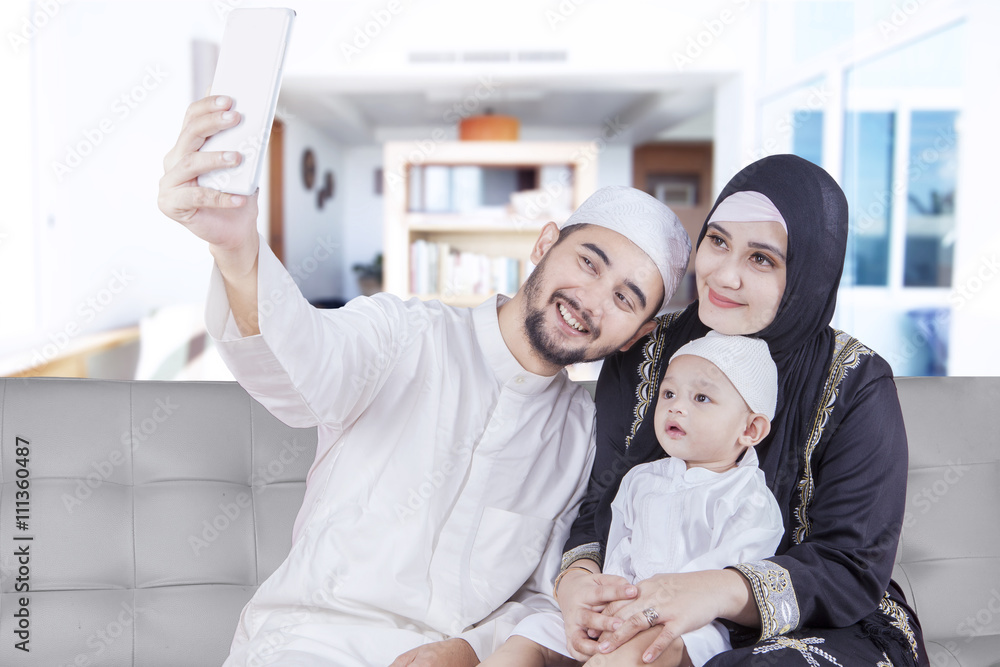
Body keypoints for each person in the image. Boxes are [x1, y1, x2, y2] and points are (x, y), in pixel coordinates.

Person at [156, 96, 692, 667]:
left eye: (624, 299)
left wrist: (466, 649)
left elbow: (541, 594)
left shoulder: (583, 436)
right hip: (308, 645)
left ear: (635, 334)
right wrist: (237, 249)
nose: (591, 300)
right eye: (588, 262)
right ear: (543, 244)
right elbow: (301, 366)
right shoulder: (404, 335)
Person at [553, 154, 928, 667]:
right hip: (644, 600)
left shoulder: (856, 381)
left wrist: (717, 590)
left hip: (820, 622)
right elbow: (600, 505)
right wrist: (579, 585)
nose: (724, 276)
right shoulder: (646, 352)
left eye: (762, 259)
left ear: (808, 277)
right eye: (718, 241)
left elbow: (851, 563)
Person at [481, 331, 785, 667]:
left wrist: (648, 610)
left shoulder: (748, 497)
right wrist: (607, 602)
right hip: (623, 608)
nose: (676, 407)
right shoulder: (641, 480)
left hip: (689, 627)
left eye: (701, 398)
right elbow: (619, 550)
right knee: (535, 630)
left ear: (751, 430)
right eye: (669, 393)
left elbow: (730, 577)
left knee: (633, 653)